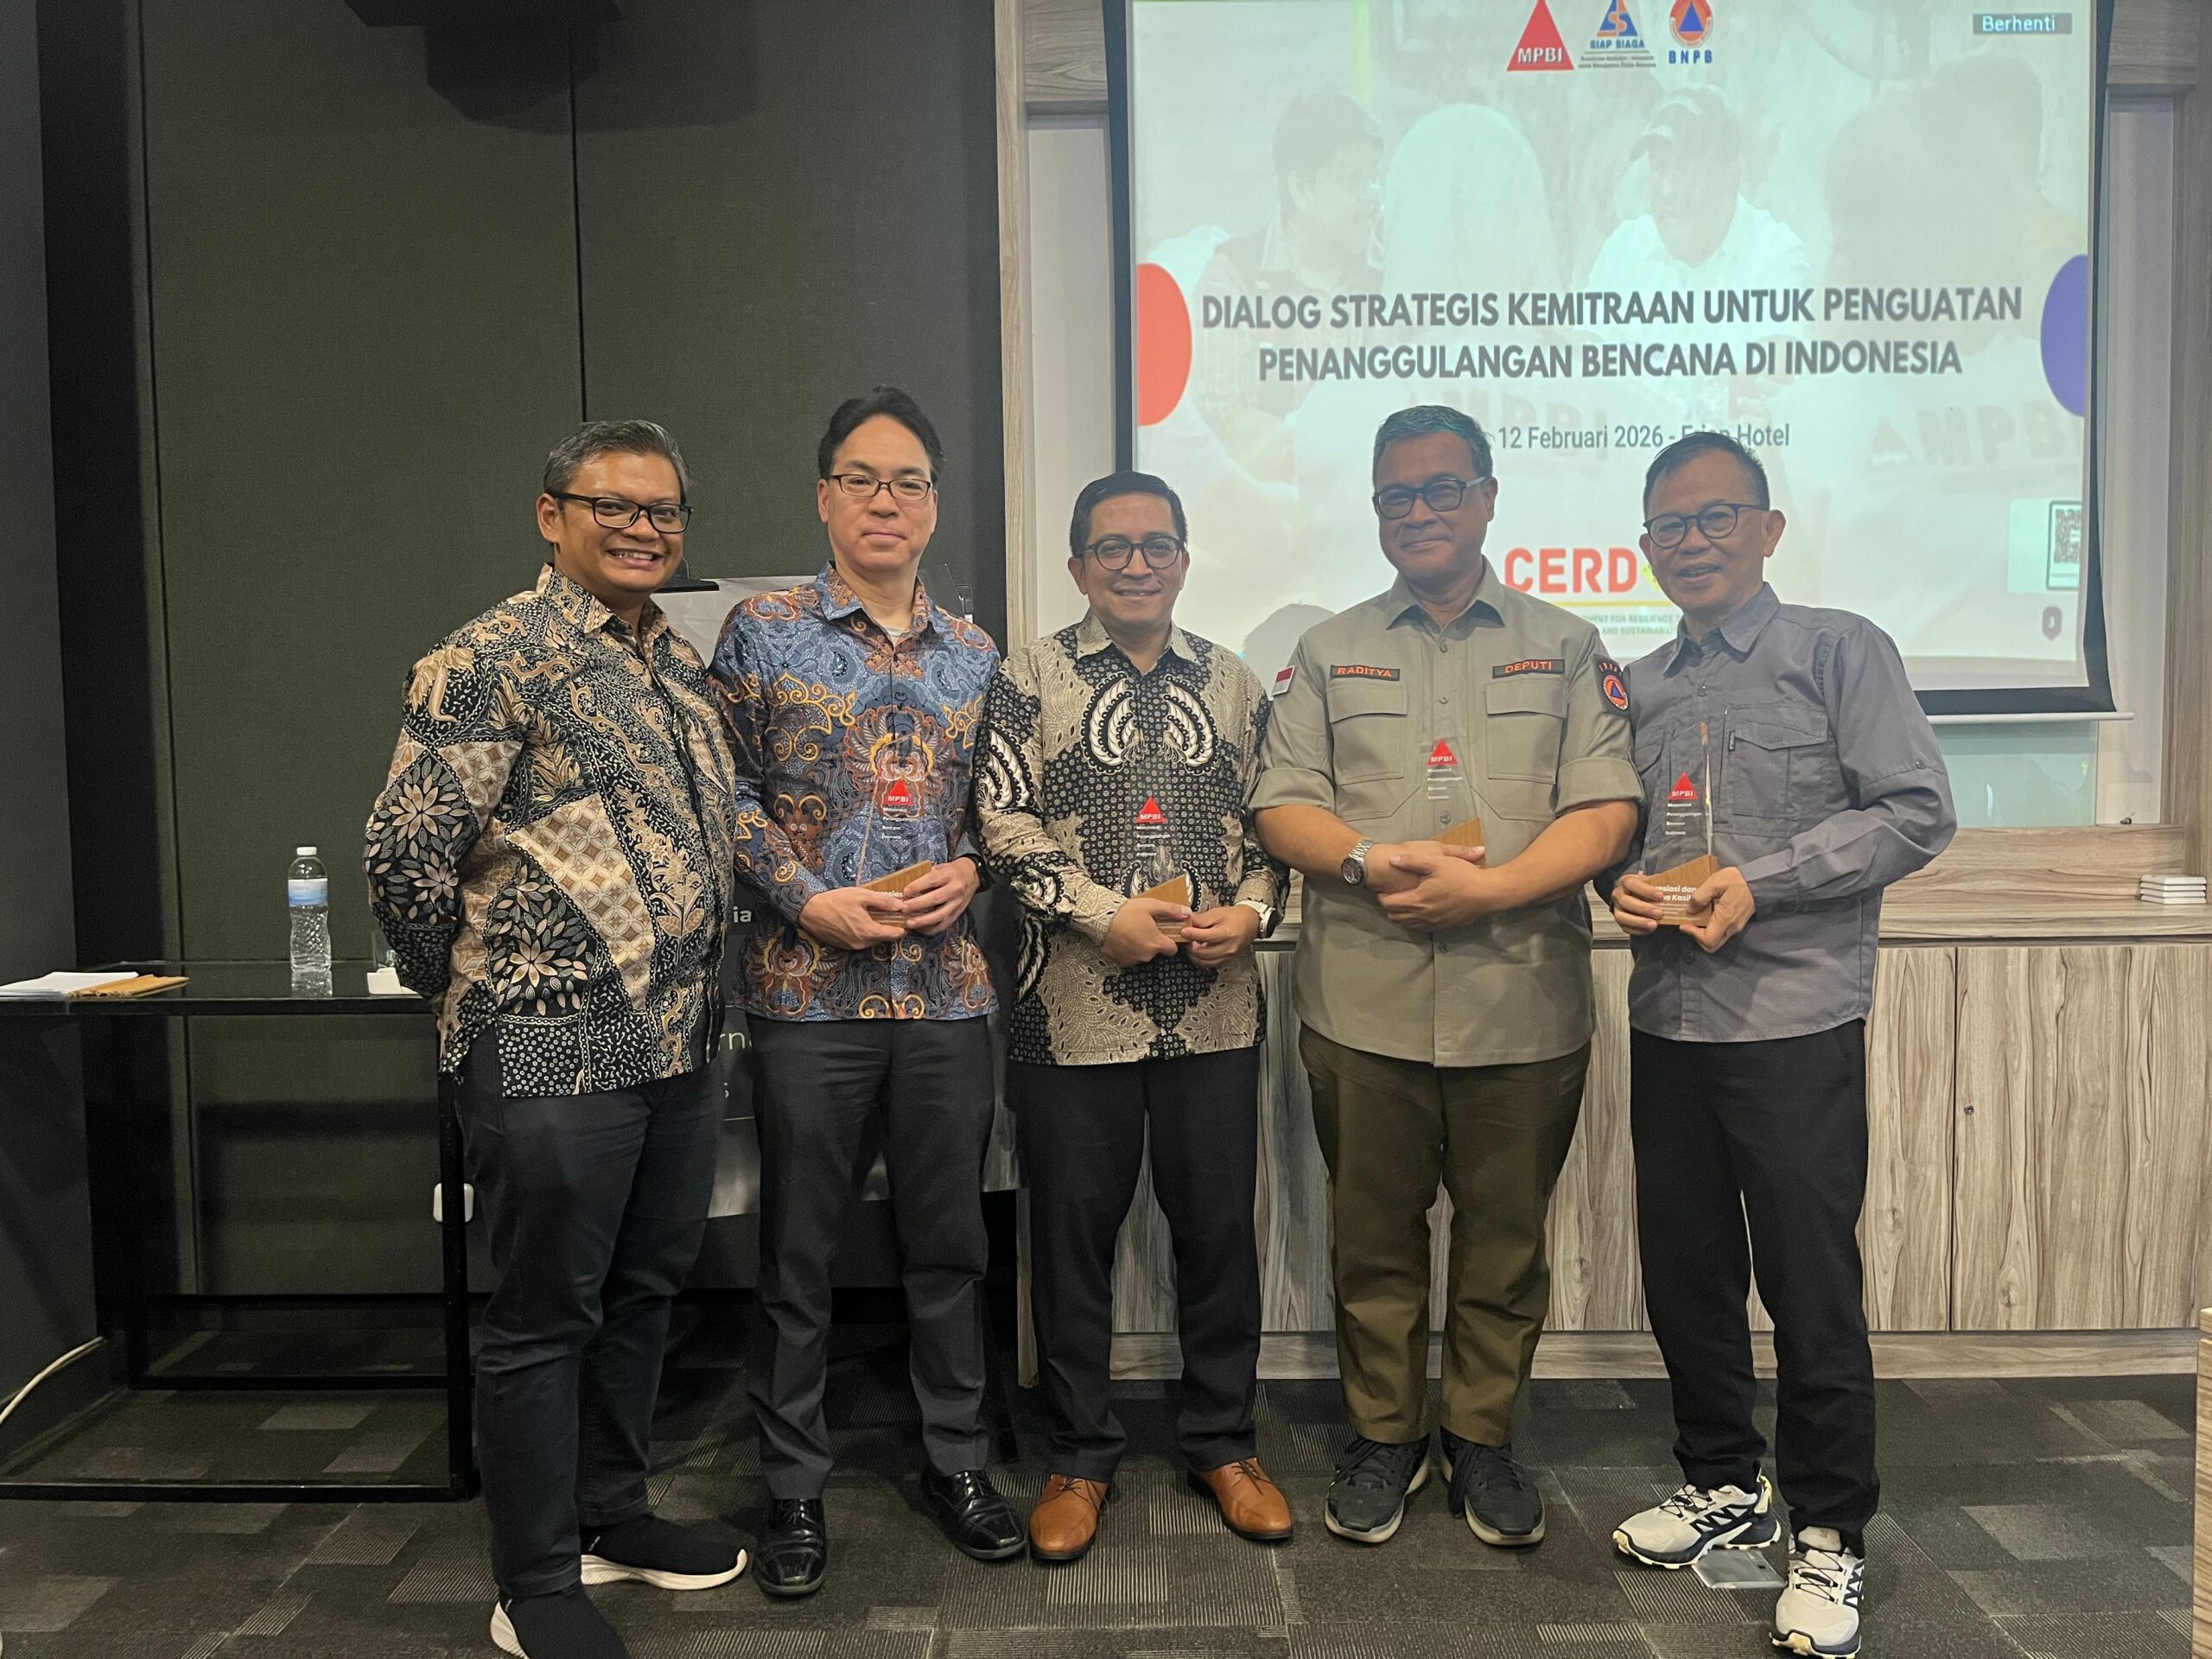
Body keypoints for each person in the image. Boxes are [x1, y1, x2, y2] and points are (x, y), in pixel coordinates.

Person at [365, 420, 746, 1659]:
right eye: (614, 505)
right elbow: (406, 852)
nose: (644, 528)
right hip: (543, 1048)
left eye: (664, 510)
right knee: (543, 1317)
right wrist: (458, 997)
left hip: (679, 1044)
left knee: (642, 1292)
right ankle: (533, 1580)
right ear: (551, 515)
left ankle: (610, 1514)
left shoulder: (674, 662)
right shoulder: (491, 658)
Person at [1252, 405, 1640, 1550]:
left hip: (1522, 1002)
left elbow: (1606, 809)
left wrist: (1496, 890)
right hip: (1361, 1005)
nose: (1417, 512)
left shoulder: (1565, 645)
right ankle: (1385, 1434)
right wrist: (1368, 861)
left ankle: (1480, 1436)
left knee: (1503, 1243)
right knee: (1371, 1240)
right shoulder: (1328, 652)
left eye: (1440, 489)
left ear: (1486, 497)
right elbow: (1283, 804)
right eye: (1395, 496)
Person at [1604, 431, 1955, 1659]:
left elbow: (1917, 811)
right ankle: (1721, 1480)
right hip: (1669, 1019)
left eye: (1716, 518)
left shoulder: (1839, 649)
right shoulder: (1637, 686)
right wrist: (1617, 888)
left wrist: (1766, 879)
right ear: (1644, 546)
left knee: (1809, 1284)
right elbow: (1618, 840)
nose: (1691, 542)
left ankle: (1830, 1530)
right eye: (1669, 525)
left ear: (1767, 529)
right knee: (1685, 1270)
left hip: (1796, 1019)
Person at [709, 386, 1019, 1598]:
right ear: (824, 497)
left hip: (945, 995)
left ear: (933, 505)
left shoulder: (977, 652)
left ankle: (958, 1462)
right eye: (861, 478)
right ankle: (793, 1486)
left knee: (949, 1246)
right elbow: (724, 796)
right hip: (807, 995)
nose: (886, 501)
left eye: (909, 482)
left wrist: (974, 868)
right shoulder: (762, 631)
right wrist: (804, 900)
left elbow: (997, 809)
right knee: (798, 1252)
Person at [975, 470, 1294, 1562]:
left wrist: (1253, 913)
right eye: (1111, 547)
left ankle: (1224, 1443)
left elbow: (1271, 834)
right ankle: (1079, 1456)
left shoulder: (1235, 681)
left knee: (1219, 1238)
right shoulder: (1027, 676)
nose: (1136, 564)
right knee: (1070, 1248)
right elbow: (1001, 824)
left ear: (1185, 561)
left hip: (1216, 1012)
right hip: (1068, 1014)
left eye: (1157, 545)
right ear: (1078, 566)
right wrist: (1099, 915)